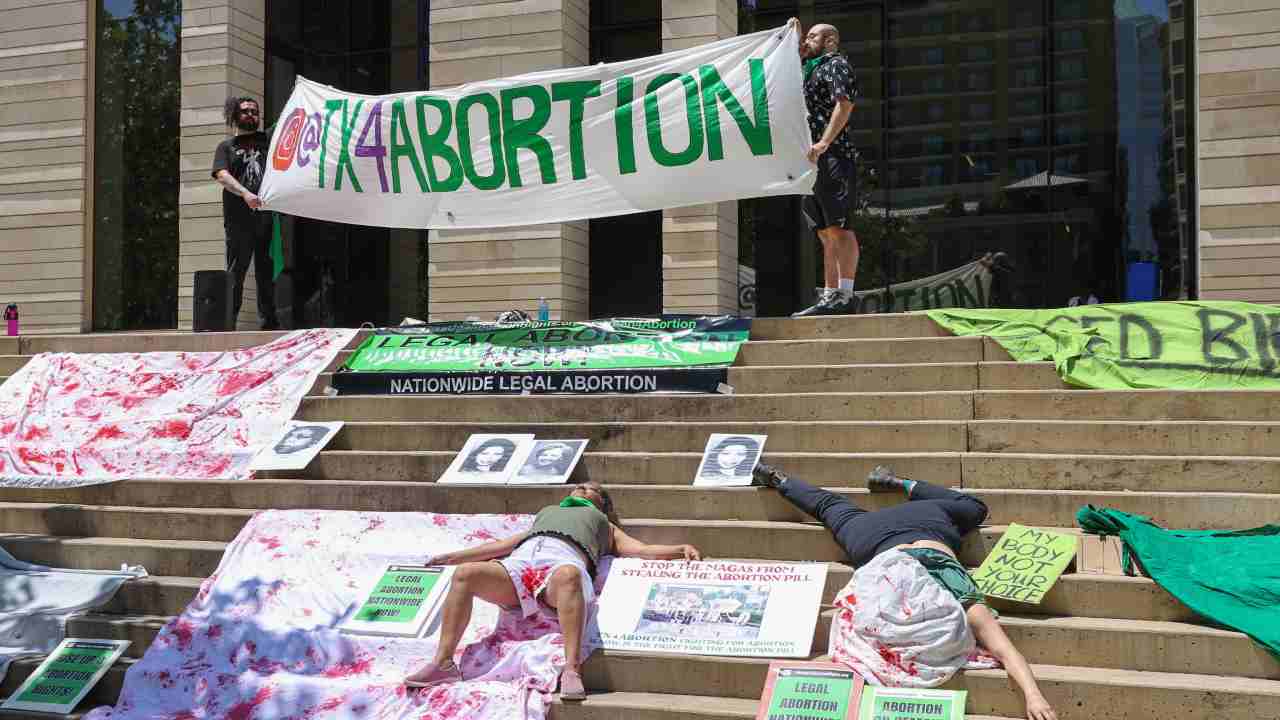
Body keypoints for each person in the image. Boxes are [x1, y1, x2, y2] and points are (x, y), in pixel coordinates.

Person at [753, 463, 1058, 720]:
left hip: (886, 534)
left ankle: (783, 479)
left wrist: (1035, 697)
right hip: (899, 530)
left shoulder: (956, 596)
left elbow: (1005, 650)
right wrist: (1034, 697)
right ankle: (793, 480)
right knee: (832, 507)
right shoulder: (956, 595)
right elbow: (1005, 650)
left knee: (830, 507)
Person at [404, 481, 702, 700]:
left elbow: (641, 549)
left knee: (571, 575)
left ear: (603, 504)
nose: (582, 489)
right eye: (579, 487)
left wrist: (678, 548)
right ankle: (443, 662)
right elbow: (503, 546)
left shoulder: (606, 526)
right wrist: (454, 557)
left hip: (563, 564)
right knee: (466, 575)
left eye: (591, 489)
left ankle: (572, 669)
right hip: (521, 564)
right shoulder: (547, 513)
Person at [789, 18, 862, 318]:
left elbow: (844, 104)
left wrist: (824, 142)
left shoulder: (835, 64)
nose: (807, 40)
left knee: (839, 228)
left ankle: (845, 294)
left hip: (833, 156)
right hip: (811, 162)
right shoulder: (807, 69)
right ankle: (830, 296)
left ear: (830, 40)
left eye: (813, 36)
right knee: (823, 232)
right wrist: (793, 37)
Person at [212, 96, 279, 330]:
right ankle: (228, 325)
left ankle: (269, 325)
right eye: (245, 111)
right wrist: (245, 194)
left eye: (255, 111)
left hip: (266, 219)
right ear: (235, 116)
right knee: (236, 273)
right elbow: (222, 175)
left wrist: (301, 91)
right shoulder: (227, 147)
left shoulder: (268, 140)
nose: (251, 115)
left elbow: (289, 119)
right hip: (238, 220)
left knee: (266, 272)